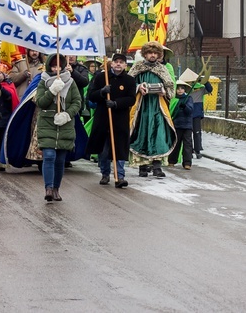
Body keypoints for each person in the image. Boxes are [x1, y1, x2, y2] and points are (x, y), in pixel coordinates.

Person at [35, 53, 82, 202]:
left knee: (60, 160)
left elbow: (77, 102)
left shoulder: (71, 82)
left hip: (64, 125)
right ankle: (48, 188)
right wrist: (52, 91)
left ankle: (56, 188)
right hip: (47, 124)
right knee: (49, 156)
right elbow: (40, 102)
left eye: (59, 66)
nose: (56, 69)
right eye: (54, 66)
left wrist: (67, 115)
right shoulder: (43, 81)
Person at [86, 53, 137, 188]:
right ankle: (105, 173)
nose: (118, 64)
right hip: (103, 118)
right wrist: (102, 92)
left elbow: (131, 99)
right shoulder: (102, 77)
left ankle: (120, 176)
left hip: (120, 119)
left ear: (125, 65)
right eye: (116, 61)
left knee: (119, 147)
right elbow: (91, 96)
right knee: (104, 148)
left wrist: (116, 103)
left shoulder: (130, 80)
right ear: (112, 63)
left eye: (121, 62)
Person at [127, 41, 177, 178]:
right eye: (150, 53)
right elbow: (128, 84)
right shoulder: (137, 67)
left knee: (158, 134)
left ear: (159, 55)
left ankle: (157, 166)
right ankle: (142, 166)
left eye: (155, 53)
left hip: (158, 107)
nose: (153, 55)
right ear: (145, 54)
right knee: (141, 133)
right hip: (141, 107)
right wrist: (138, 88)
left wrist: (164, 92)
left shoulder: (162, 69)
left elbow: (170, 87)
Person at [168, 79, 194, 169]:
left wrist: (185, 107)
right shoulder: (173, 99)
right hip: (176, 125)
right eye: (178, 88)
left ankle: (187, 163)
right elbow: (171, 110)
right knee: (175, 143)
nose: (180, 90)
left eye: (182, 88)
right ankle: (172, 160)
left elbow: (190, 111)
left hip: (187, 125)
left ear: (185, 90)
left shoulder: (188, 99)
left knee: (187, 145)